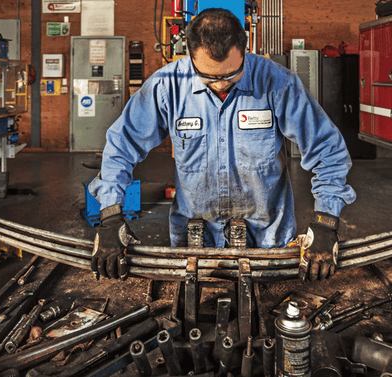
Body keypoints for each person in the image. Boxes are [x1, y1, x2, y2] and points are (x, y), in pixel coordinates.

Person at [89, 8, 356, 282]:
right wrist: (110, 215)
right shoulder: (166, 86)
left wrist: (326, 221)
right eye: (208, 76)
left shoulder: (278, 83)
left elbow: (328, 150)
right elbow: (121, 146)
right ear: (190, 56)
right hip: (193, 243)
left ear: (244, 50)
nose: (219, 85)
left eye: (230, 74)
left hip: (267, 244)